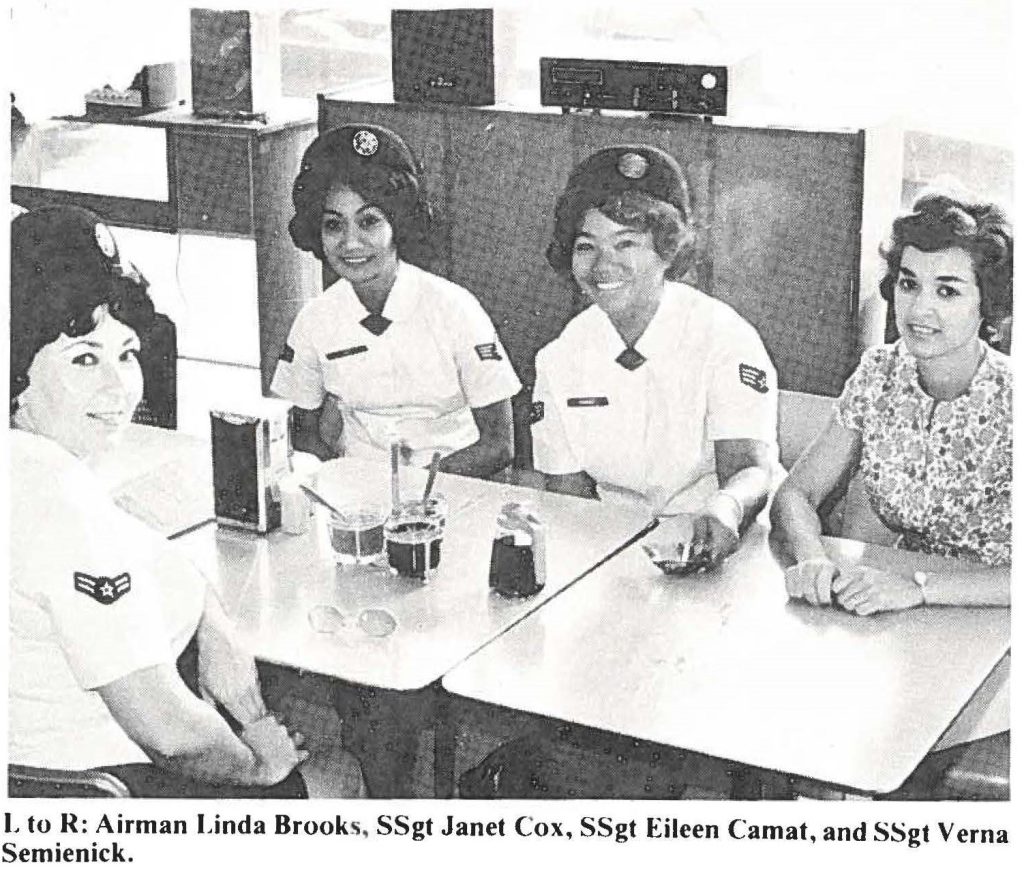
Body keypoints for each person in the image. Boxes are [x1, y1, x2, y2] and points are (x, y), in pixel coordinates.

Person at [9, 205, 364, 798]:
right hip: (100, 792)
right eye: (83, 359)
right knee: (338, 771)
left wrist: (211, 621)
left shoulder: (34, 469)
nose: (119, 387)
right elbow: (172, 736)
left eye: (126, 354)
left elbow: (137, 540)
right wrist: (257, 763)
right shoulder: (59, 500)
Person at [531, 143, 779, 564]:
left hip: (728, 538)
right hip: (613, 544)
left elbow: (749, 470)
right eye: (586, 246)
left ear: (667, 252)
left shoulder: (724, 337)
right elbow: (567, 496)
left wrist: (725, 509)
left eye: (626, 244)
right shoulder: (560, 358)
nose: (603, 266)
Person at [771, 192, 1012, 614]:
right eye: (909, 283)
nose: (920, 309)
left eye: (948, 292)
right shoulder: (879, 373)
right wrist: (813, 558)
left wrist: (920, 587)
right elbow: (797, 493)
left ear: (987, 304)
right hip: (905, 605)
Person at [271, 123, 521, 477]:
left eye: (369, 222)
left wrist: (419, 491)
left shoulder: (454, 309)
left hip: (454, 480)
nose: (350, 244)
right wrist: (344, 482)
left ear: (398, 224)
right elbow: (303, 432)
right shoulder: (316, 319)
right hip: (362, 487)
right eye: (333, 225)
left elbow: (499, 445)